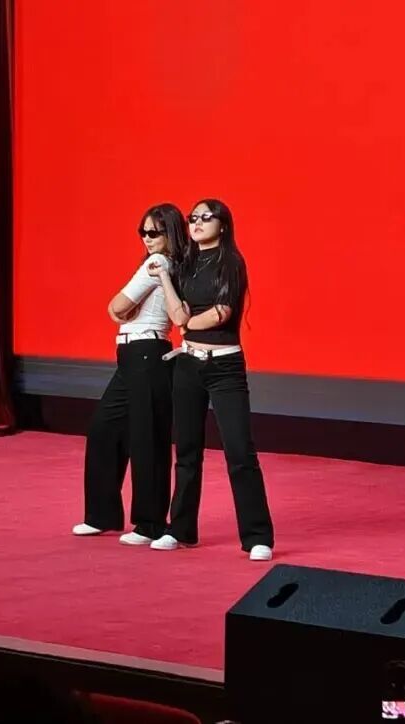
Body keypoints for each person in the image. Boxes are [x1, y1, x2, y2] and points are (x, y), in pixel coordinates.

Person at [147, 199, 275, 561]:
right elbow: (177, 315)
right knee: (187, 451)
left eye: (206, 217)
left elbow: (220, 314)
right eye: (193, 218)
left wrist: (188, 321)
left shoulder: (231, 262)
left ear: (223, 224)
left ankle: (257, 536)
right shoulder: (186, 263)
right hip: (188, 365)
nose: (197, 222)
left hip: (224, 367)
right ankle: (180, 529)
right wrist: (165, 280)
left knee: (239, 451)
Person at [72, 203, 187, 545]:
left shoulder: (158, 263)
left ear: (170, 234)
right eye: (143, 232)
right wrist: (122, 310)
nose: (147, 239)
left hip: (147, 352)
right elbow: (118, 309)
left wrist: (124, 310)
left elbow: (117, 306)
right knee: (105, 429)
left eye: (154, 232)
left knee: (147, 438)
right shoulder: (160, 262)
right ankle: (102, 515)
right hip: (133, 356)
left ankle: (150, 524)